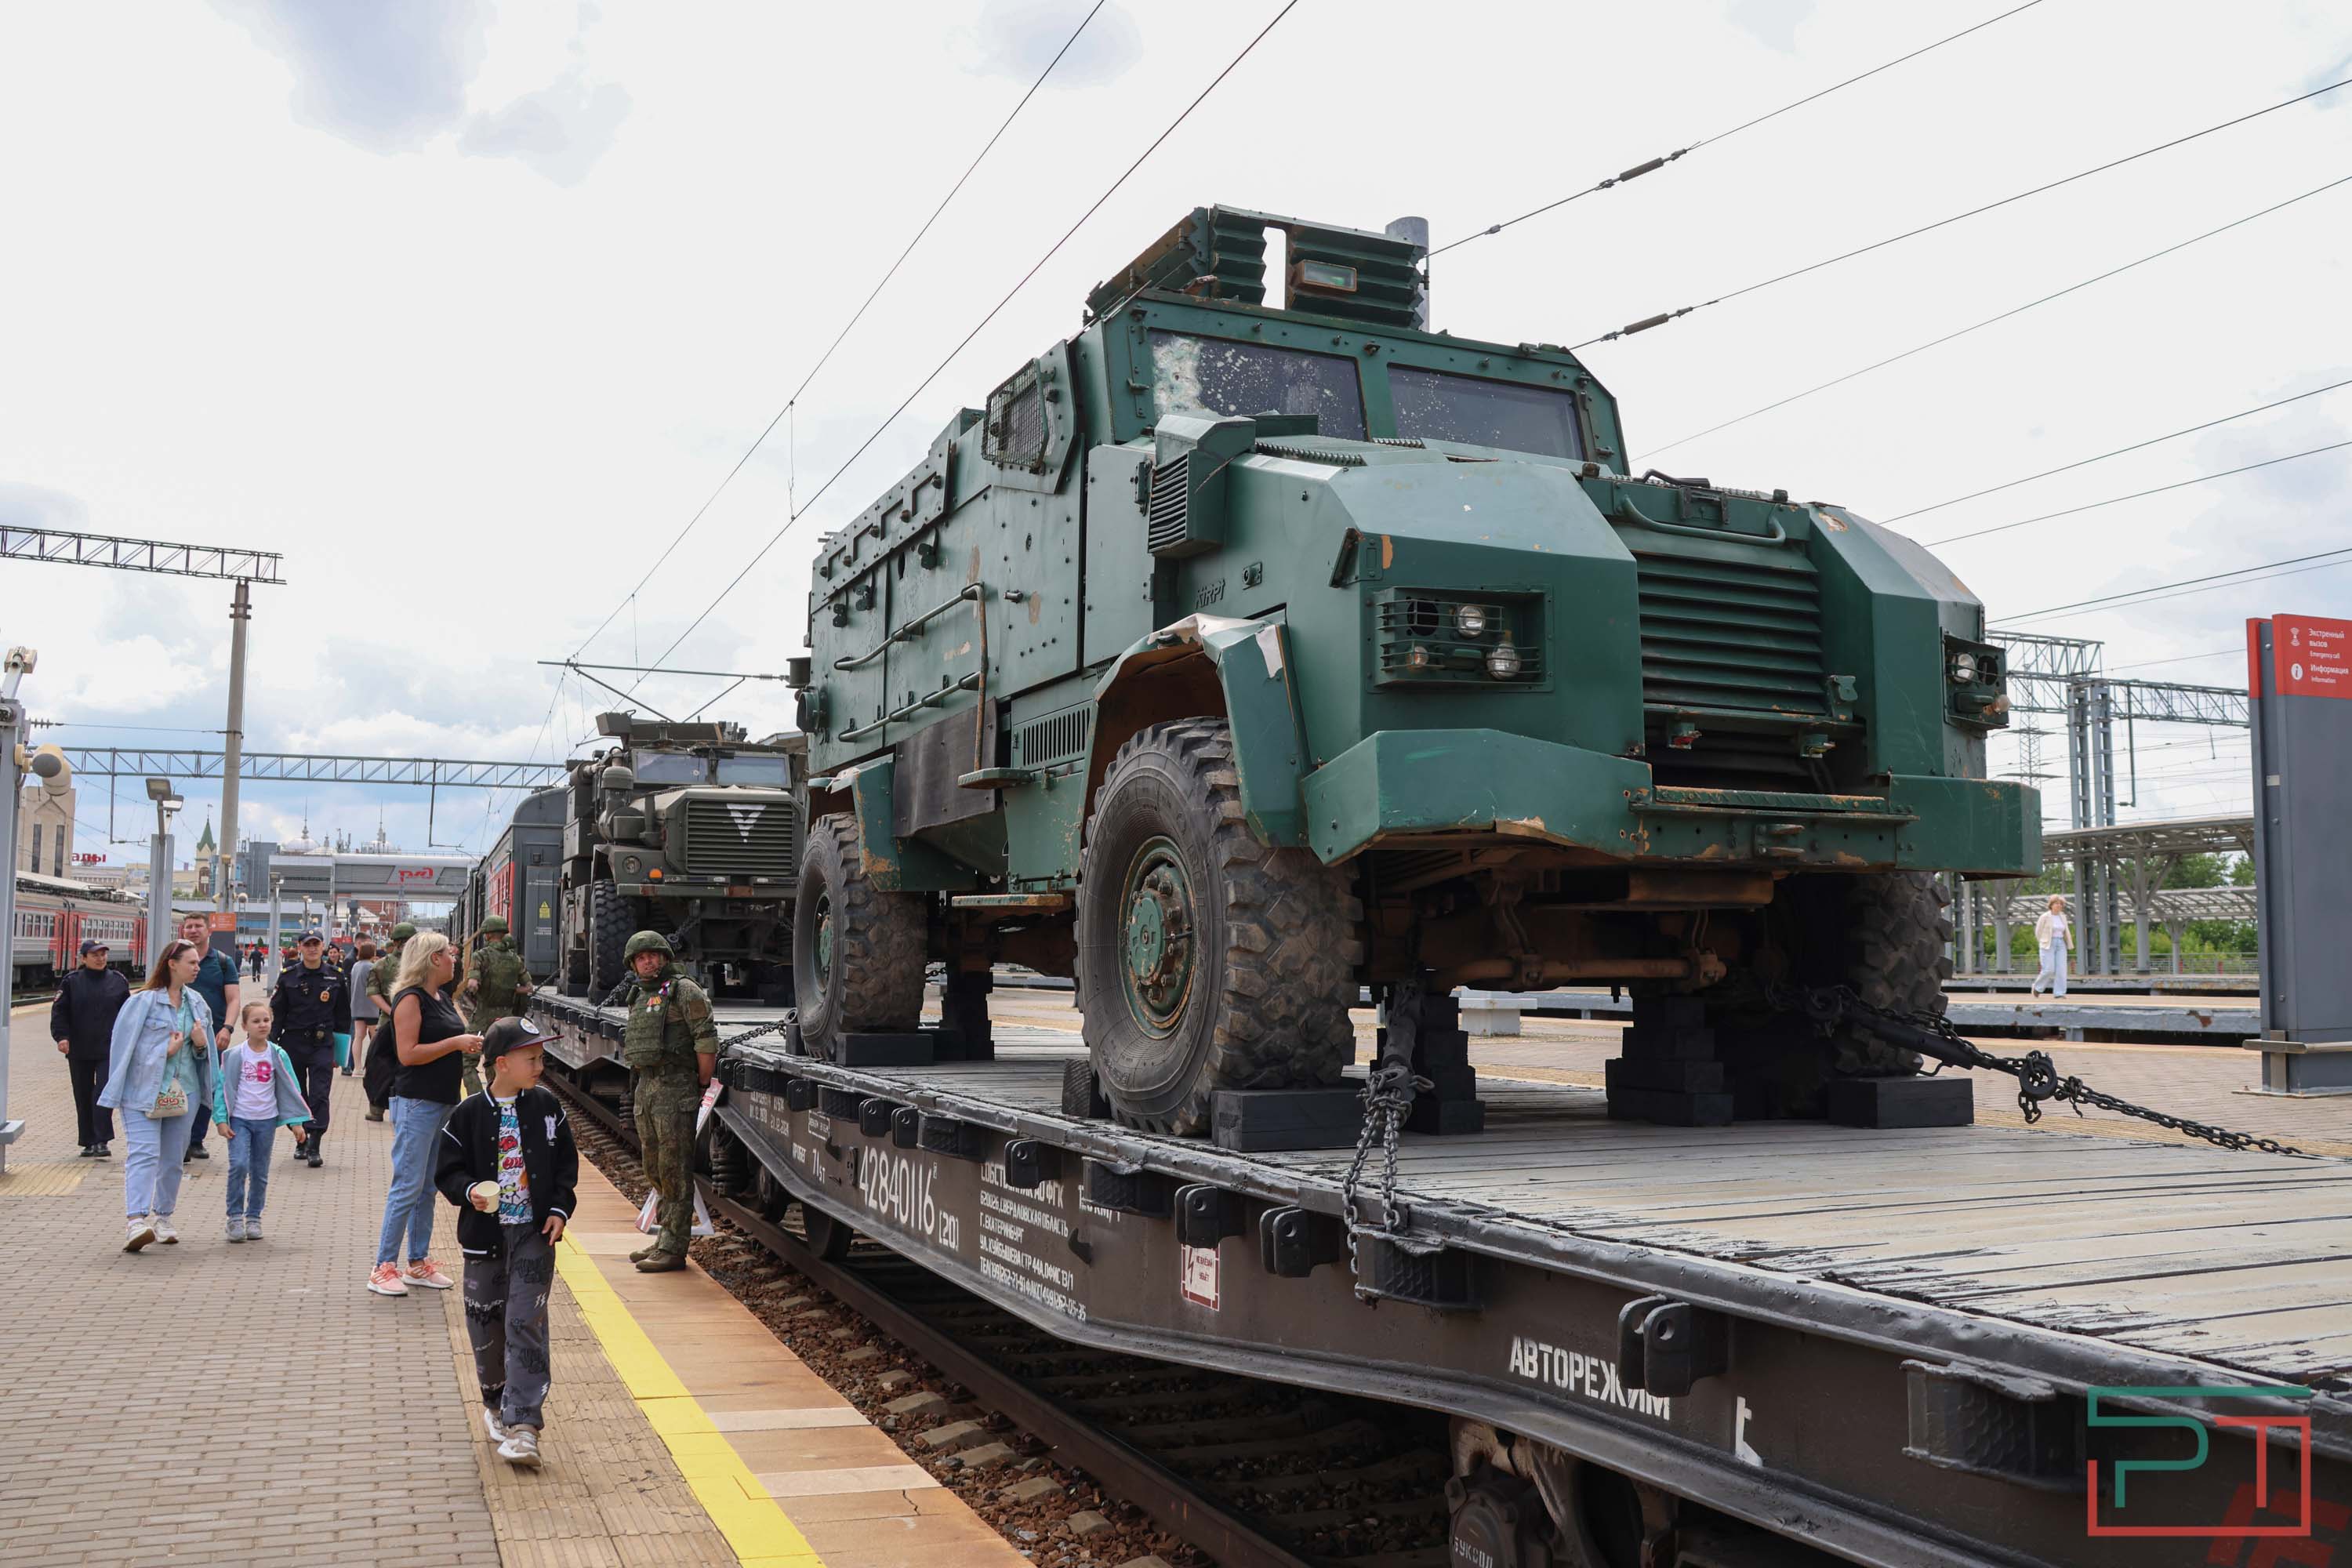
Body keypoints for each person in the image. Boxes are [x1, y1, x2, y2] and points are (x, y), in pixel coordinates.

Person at [434, 1016, 575, 1469]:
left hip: (534, 1237)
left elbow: (567, 1169)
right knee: (485, 1326)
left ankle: (524, 1427)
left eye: (540, 1057)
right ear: (502, 1064)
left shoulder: (549, 1109)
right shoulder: (468, 1114)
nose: (540, 1065)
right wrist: (470, 1190)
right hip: (484, 1240)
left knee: (524, 1324)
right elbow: (448, 1171)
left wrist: (558, 1210)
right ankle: (495, 1403)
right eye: (531, 1058)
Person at [369, 932, 482, 1298]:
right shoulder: (409, 999)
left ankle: (417, 1263)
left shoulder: (443, 997)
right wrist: (455, 1043)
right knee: (407, 1184)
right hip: (416, 1101)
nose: (455, 960)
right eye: (450, 954)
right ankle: (383, 1267)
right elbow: (408, 1054)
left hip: (442, 1100)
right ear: (433, 959)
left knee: (426, 1187)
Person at [601, 931, 715, 1273]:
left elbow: (706, 1039)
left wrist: (699, 1083)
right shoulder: (639, 995)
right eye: (640, 957)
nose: (647, 961)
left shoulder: (684, 990)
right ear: (633, 964)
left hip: (675, 1087)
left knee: (674, 1169)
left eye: (653, 955)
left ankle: (674, 1247)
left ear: (664, 958)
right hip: (647, 1087)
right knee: (653, 1166)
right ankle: (664, 1236)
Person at [98, 938, 218, 1253]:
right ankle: (136, 1220)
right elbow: (123, 1050)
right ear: (172, 964)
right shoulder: (143, 1003)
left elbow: (207, 1056)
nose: (196, 968)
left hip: (184, 1093)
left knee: (173, 1160)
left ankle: (164, 1218)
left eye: (198, 962)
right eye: (191, 962)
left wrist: (201, 1043)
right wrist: (164, 1051)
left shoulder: (197, 1004)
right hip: (143, 1092)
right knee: (144, 1153)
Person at [213, 1000, 311, 1243]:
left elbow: (290, 1088)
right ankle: (235, 1217)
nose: (262, 1025)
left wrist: (296, 1123)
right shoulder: (235, 1055)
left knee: (259, 1171)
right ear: (245, 1026)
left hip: (266, 1121)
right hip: (240, 1120)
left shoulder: (277, 1054)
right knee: (239, 1165)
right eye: (256, 1021)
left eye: (266, 1020)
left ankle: (254, 1216)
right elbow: (222, 1088)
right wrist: (221, 1119)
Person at [269, 931, 352, 1169]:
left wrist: (340, 1054)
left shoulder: (336, 977)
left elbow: (343, 1017)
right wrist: (271, 1047)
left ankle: (314, 1142)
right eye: (308, 945)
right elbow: (278, 1016)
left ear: (323, 947)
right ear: (300, 947)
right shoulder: (288, 977)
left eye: (316, 944)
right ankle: (300, 1137)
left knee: (320, 1093)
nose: (312, 949)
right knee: (295, 1093)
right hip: (292, 1043)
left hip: (322, 1043)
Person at [53, 938, 130, 1157]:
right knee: (83, 1093)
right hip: (79, 1048)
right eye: (95, 955)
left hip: (109, 1049)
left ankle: (102, 1140)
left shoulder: (118, 981)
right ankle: (88, 1140)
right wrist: (62, 1037)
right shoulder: (71, 982)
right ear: (83, 958)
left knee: (104, 1092)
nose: (100, 958)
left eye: (103, 954)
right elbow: (60, 1011)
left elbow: (128, 1014)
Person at [178, 915, 241, 1164]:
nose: (193, 931)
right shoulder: (176, 959)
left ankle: (196, 1140)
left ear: (208, 930)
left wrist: (227, 1028)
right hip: (180, 1035)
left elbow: (234, 998)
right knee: (180, 1084)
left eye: (198, 926)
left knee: (208, 1083)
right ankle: (180, 1138)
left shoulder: (223, 962)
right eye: (189, 927)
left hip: (212, 1034)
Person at [459, 915, 534, 1099]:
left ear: (487, 935)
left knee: (467, 1061)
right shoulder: (515, 959)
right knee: (497, 1059)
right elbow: (528, 987)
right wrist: (510, 990)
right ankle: (497, 1098)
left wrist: (479, 987)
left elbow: (472, 984)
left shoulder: (481, 956)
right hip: (506, 1019)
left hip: (484, 1015)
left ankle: (477, 1098)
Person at [361, 922, 416, 1122]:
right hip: (416, 1020)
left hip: (387, 1022)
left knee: (379, 1064)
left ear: (394, 942)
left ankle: (376, 1109)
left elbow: (372, 992)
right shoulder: (421, 964)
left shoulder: (381, 964)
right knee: (409, 1064)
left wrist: (391, 1010)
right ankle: (405, 1108)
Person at [2031, 895, 2074, 999]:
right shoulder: (2045, 916)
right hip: (2048, 944)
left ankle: (2059, 993)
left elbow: (2065, 930)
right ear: (2051, 905)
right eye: (2056, 903)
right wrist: (2043, 941)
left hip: (2061, 944)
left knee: (2062, 969)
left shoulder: (2062, 916)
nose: (2059, 905)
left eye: (2060, 904)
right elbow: (2038, 932)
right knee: (2049, 969)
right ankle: (2037, 987)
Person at [347, 942, 379, 1078]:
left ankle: (357, 1068)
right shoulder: (372, 967)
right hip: (371, 1006)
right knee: (375, 1037)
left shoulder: (356, 966)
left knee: (358, 1037)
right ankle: (372, 1067)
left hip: (356, 1006)